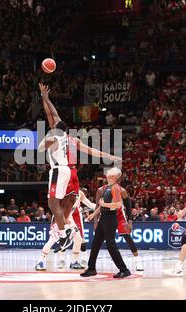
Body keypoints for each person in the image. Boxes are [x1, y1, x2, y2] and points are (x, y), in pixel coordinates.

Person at [38, 83, 121, 251]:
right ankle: (67, 235)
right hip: (71, 174)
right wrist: (45, 98)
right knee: (65, 211)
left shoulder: (55, 136)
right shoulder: (72, 139)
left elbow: (51, 116)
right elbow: (92, 151)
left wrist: (44, 98)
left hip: (61, 172)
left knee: (56, 207)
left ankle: (63, 235)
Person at [81, 168, 131, 279]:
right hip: (103, 218)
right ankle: (91, 268)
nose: (107, 172)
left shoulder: (115, 188)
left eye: (110, 171)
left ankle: (124, 270)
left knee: (110, 245)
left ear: (113, 176)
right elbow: (101, 205)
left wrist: (105, 204)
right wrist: (93, 215)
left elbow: (118, 205)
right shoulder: (106, 188)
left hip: (110, 219)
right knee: (95, 244)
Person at [87, 183, 144, 272]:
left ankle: (137, 260)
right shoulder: (100, 190)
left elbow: (128, 205)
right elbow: (98, 206)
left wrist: (129, 220)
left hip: (120, 216)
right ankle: (92, 267)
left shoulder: (121, 190)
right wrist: (95, 221)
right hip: (107, 216)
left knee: (127, 237)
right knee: (99, 242)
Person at [35, 189, 95, 271]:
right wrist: (63, 220)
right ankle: (40, 261)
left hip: (70, 220)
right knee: (52, 240)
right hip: (59, 218)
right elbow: (57, 210)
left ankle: (74, 262)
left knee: (78, 239)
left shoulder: (79, 193)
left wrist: (101, 206)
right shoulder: (63, 193)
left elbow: (90, 205)